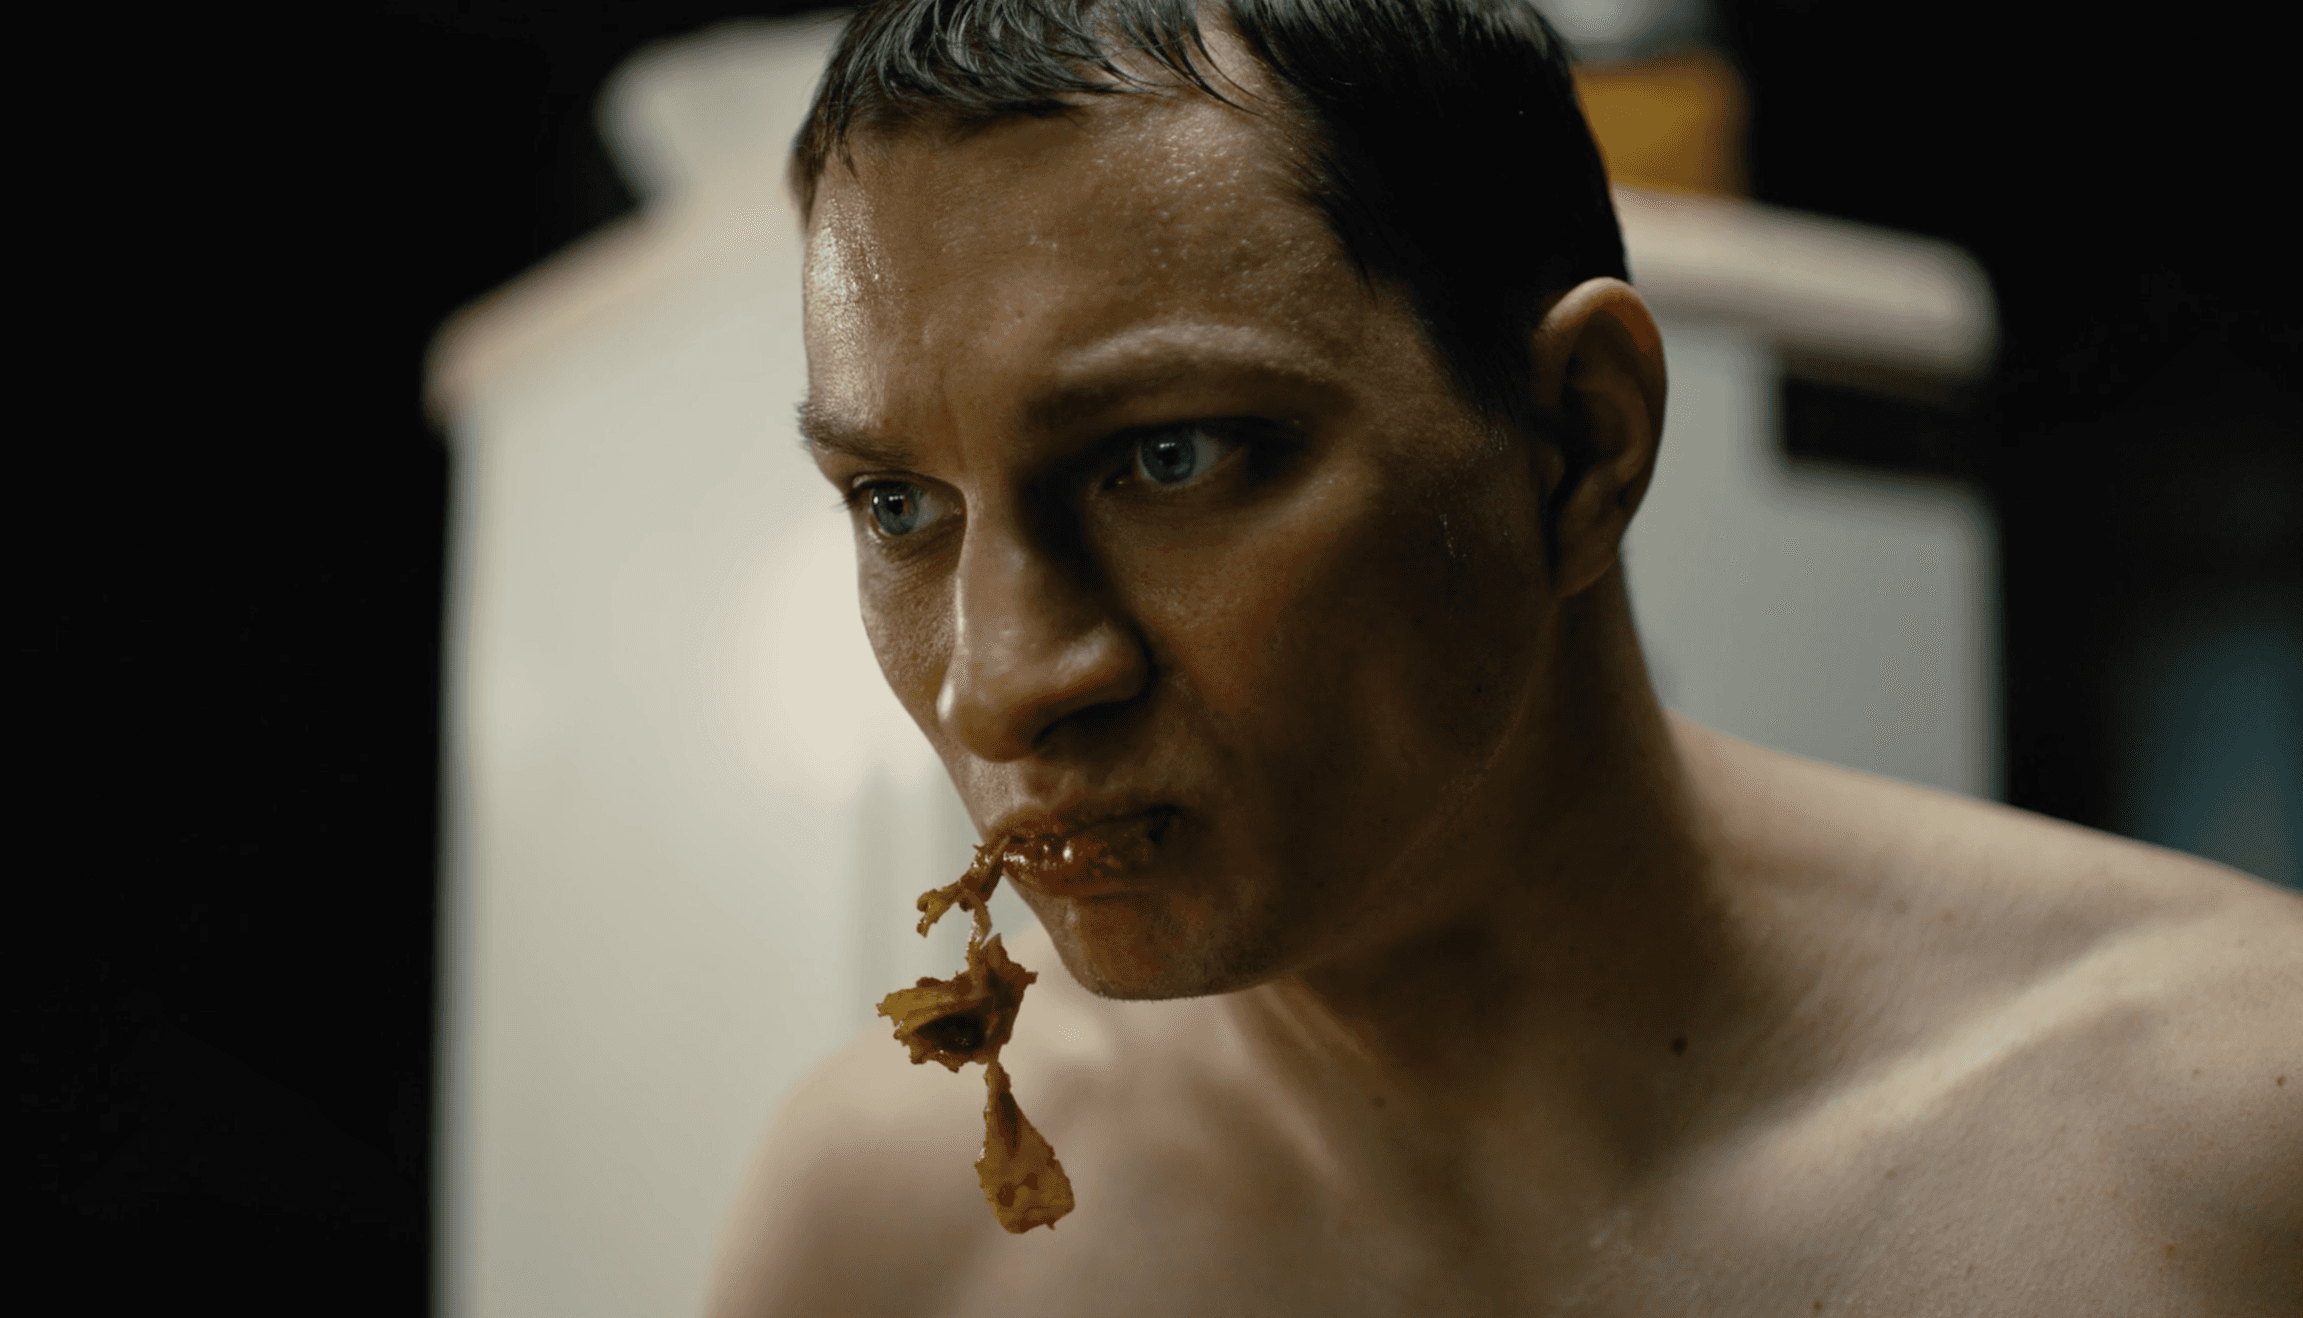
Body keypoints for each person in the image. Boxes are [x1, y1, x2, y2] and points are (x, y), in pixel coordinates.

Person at [708, 1, 2301, 1312]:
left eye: (1170, 456)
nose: (999, 679)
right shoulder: (893, 1226)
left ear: (1576, 439)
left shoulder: (2224, 1148)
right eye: (896, 503)